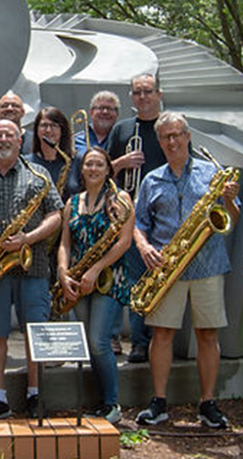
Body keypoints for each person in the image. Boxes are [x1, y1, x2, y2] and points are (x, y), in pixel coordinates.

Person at [134, 112, 240, 429]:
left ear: (188, 135)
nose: (172, 141)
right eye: (166, 137)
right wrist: (143, 247)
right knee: (162, 334)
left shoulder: (212, 174)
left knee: (208, 335)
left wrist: (231, 201)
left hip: (208, 265)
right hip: (167, 265)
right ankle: (159, 402)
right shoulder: (152, 179)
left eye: (177, 134)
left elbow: (232, 218)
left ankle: (208, 403)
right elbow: (138, 224)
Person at [0, 119, 63, 419]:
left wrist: (27, 238)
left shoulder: (39, 175)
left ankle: (35, 394)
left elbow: (55, 215)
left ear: (20, 141)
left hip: (33, 267)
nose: (3, 139)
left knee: (36, 334)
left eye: (9, 135)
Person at [56, 148, 134, 424]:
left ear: (108, 169)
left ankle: (113, 403)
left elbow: (124, 242)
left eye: (99, 164)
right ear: (82, 169)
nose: (93, 168)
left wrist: (97, 268)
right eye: (88, 164)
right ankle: (101, 402)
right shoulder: (72, 202)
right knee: (90, 344)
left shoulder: (120, 199)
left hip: (107, 278)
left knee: (100, 341)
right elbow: (65, 243)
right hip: (79, 279)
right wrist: (64, 273)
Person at [107, 73, 166, 363]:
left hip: (163, 216)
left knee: (161, 278)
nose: (142, 97)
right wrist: (120, 163)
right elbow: (102, 171)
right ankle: (140, 342)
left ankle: (160, 339)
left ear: (158, 94)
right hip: (130, 215)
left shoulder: (169, 127)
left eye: (148, 91)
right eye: (137, 92)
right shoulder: (122, 129)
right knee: (134, 280)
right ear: (131, 97)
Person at [27, 107, 80, 200]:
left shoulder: (76, 160)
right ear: (36, 130)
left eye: (53, 125)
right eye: (44, 125)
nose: (48, 130)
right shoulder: (26, 163)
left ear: (62, 130)